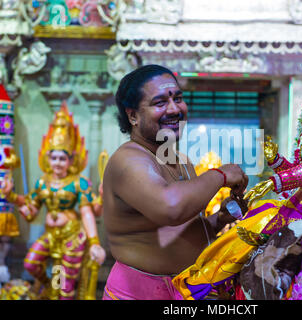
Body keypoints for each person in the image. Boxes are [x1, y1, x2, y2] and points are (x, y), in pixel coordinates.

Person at [171, 10, 302, 300]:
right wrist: (276, 161)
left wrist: (276, 180)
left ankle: (220, 283)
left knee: (260, 236)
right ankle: (206, 279)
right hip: (300, 196)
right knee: (250, 225)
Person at [101, 64, 249, 300]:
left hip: (184, 290)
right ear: (133, 116)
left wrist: (219, 219)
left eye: (178, 98)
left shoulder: (181, 160)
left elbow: (176, 231)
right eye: (160, 103)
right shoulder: (128, 159)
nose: (174, 109)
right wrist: (220, 175)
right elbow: (170, 208)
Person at [2, 103, 105, 300]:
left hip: (73, 237)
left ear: (70, 160)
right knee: (31, 263)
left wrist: (94, 242)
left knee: (66, 287)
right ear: (47, 159)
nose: (57, 163)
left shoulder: (78, 183)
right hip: (50, 236)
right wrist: (11, 197)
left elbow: (87, 212)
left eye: (62, 158)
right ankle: (49, 287)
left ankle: (58, 292)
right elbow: (31, 204)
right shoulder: (43, 182)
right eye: (54, 158)